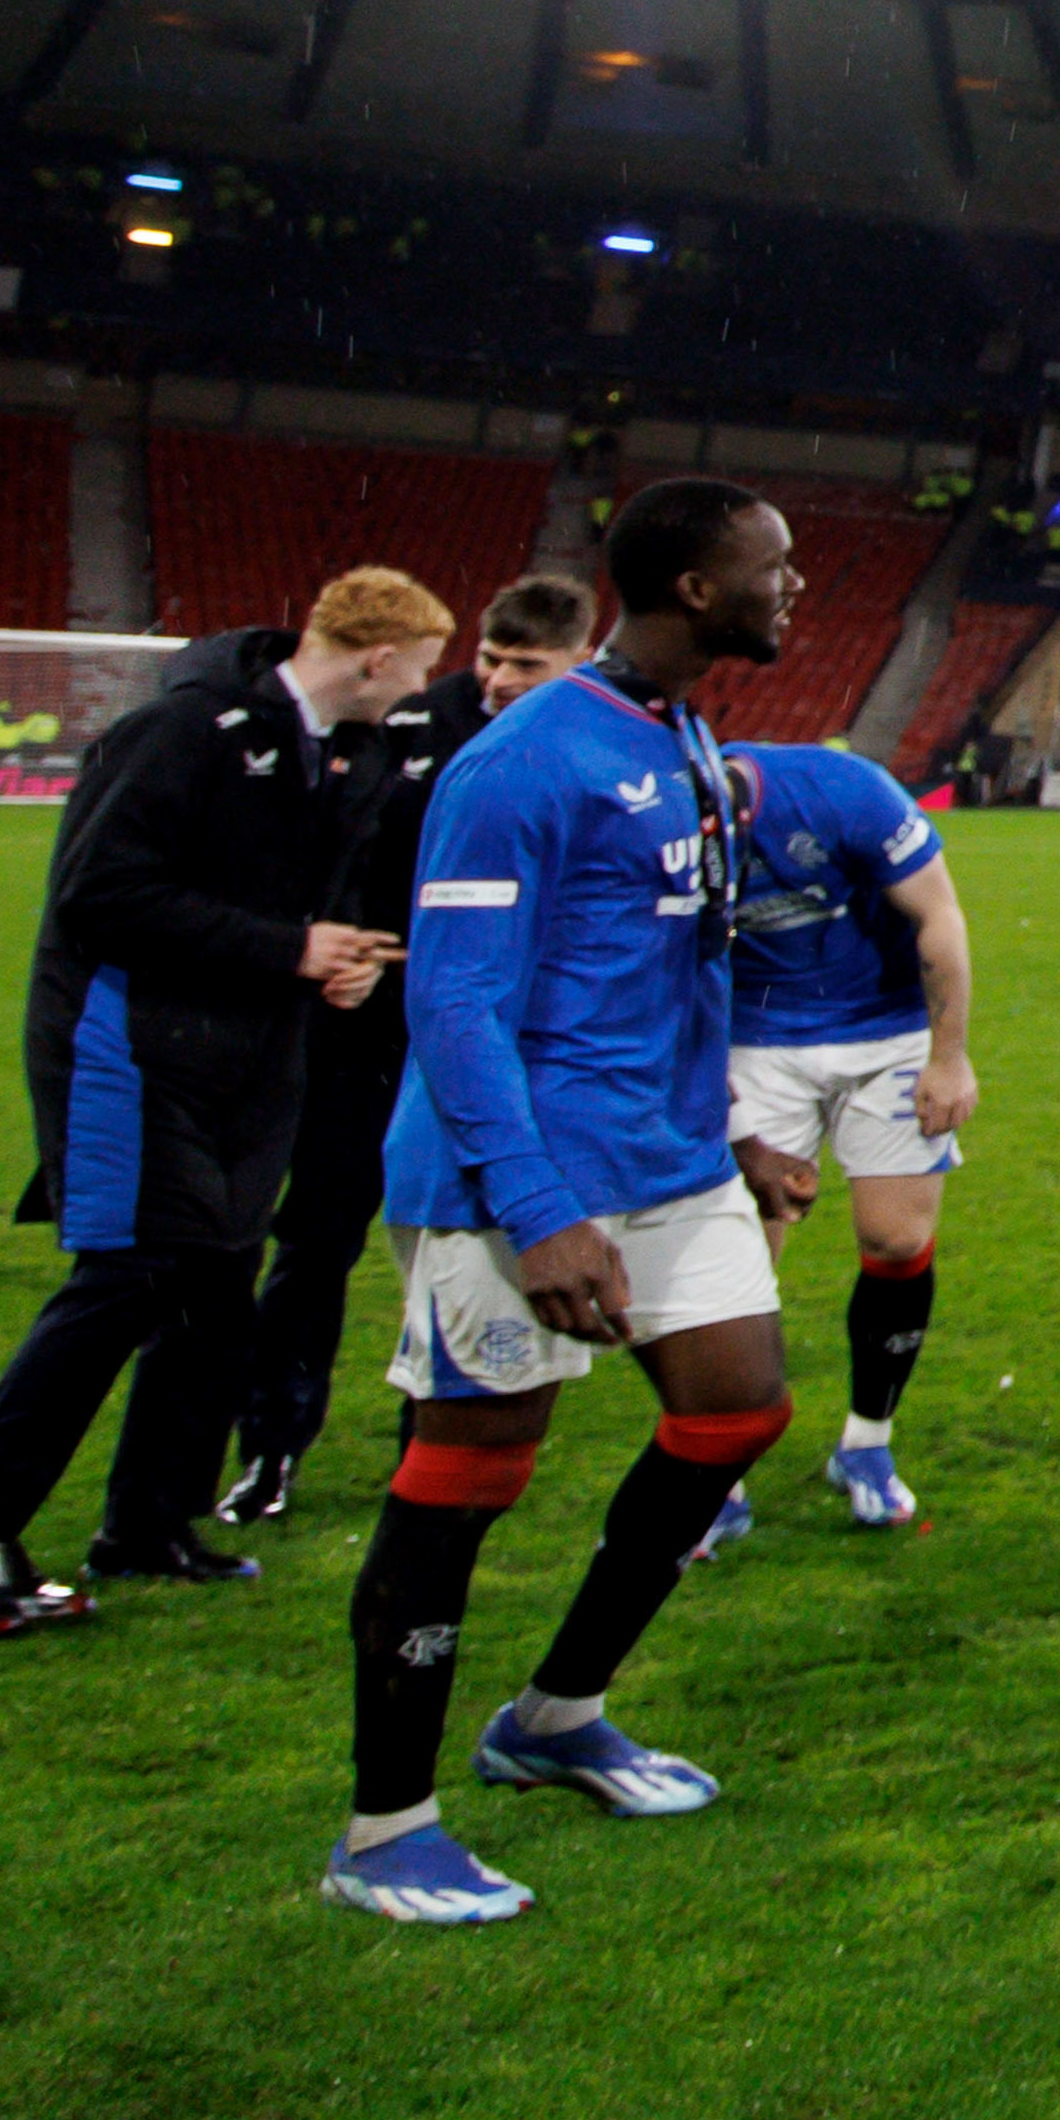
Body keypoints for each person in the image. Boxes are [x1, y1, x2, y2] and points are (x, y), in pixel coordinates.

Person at [323, 483, 814, 1923]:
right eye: (771, 569)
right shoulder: (521, 760)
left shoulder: (677, 731)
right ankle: (383, 1828)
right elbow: (461, 1007)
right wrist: (535, 1209)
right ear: (693, 587)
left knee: (737, 1411)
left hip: (669, 1161)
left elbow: (656, 979)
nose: (795, 589)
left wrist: (729, 1134)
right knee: (469, 1480)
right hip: (512, 1174)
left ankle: (553, 1718)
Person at [0, 570, 441, 1633]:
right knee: (126, 1280)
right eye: (420, 664)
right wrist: (288, 948)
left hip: (250, 1049)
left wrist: (331, 961)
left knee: (218, 1285)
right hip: (128, 1042)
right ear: (377, 657)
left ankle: (148, 1524)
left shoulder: (338, 754)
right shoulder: (182, 732)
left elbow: (301, 904)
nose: (423, 687)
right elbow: (100, 893)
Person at [225, 572, 593, 1528]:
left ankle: (427, 1451)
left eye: (528, 665)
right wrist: (342, 941)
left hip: (485, 1048)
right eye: (494, 659)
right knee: (314, 1243)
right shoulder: (412, 725)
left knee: (457, 1250)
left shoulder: (588, 744)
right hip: (369, 1032)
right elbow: (337, 851)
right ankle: (269, 1452)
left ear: (577, 660)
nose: (504, 680)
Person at [719, 738, 978, 1531]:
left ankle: (867, 1441)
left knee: (897, 1241)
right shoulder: (656, 825)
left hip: (888, 1029)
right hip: (756, 1036)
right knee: (734, 1259)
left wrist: (948, 1057)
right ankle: (715, 1475)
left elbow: (936, 914)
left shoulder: (842, 792)